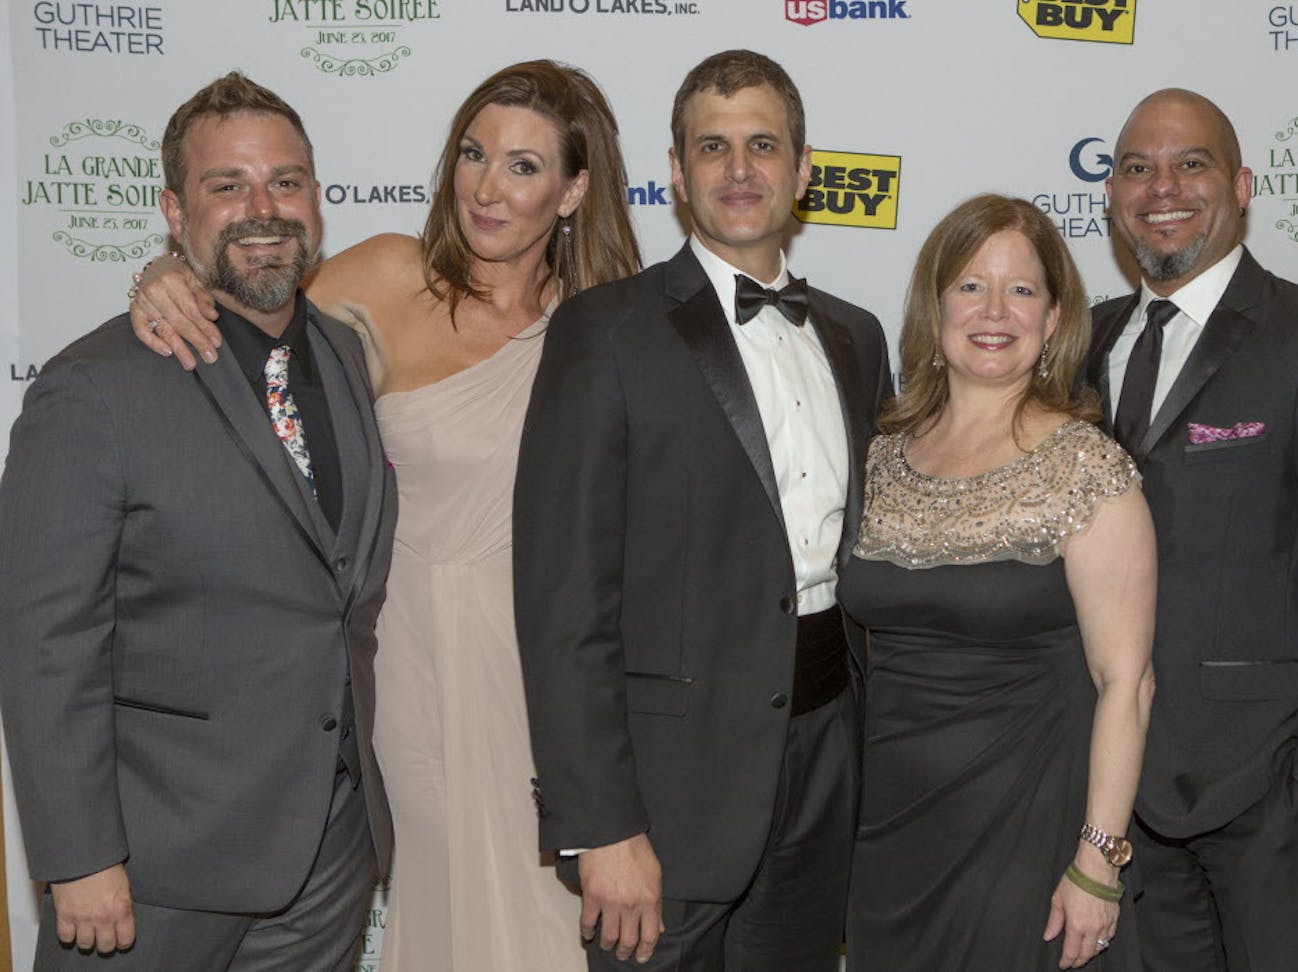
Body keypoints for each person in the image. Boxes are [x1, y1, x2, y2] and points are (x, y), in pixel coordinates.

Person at [127, 61, 642, 970]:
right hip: (415, 661)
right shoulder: (390, 275)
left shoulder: (608, 325)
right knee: (450, 899)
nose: (487, 186)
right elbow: (251, 332)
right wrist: (168, 273)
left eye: (523, 167)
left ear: (574, 190)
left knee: (563, 922)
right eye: (473, 154)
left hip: (561, 671)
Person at [0, 73, 397, 970]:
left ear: (317, 199)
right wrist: (80, 857)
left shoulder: (344, 351)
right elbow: (44, 642)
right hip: (153, 867)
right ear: (176, 214)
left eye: (286, 182)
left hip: (329, 851)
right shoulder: (93, 388)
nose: (265, 208)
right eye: (229, 186)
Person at [512, 49, 891, 970]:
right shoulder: (603, 331)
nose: (739, 169)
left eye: (763, 144)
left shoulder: (856, 335)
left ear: (804, 171)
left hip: (825, 764)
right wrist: (600, 827)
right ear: (677, 174)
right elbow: (563, 603)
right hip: (666, 797)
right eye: (711, 147)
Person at [1087, 88, 1298, 970]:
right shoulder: (1081, 348)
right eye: (1135, 167)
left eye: (1189, 163)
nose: (1162, 186)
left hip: (1268, 802)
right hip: (1112, 805)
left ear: (1240, 185)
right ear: (1112, 196)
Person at [841, 194, 1156, 971]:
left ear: (1053, 320)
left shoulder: (1086, 465)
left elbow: (1127, 682)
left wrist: (1099, 861)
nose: (995, 311)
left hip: (1028, 829)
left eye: (1022, 291)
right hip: (887, 833)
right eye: (971, 286)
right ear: (934, 305)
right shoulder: (882, 456)